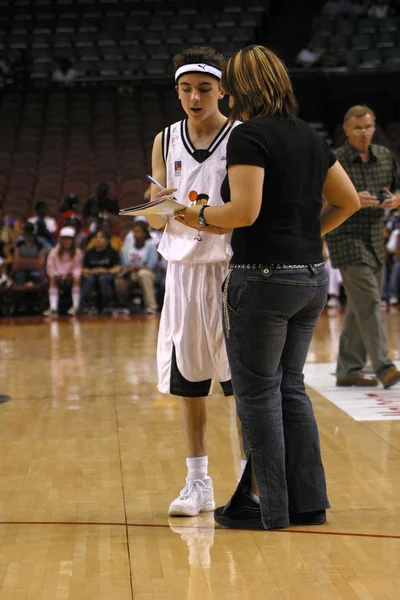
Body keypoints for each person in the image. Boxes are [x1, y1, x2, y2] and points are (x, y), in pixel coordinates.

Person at [177, 44, 361, 530]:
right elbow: (347, 201)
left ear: (238, 90)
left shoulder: (249, 136)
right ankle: (308, 504)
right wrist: (304, 237)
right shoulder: (309, 135)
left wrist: (192, 212)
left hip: (261, 279)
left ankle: (268, 509)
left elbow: (243, 213)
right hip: (311, 278)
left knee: (258, 394)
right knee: (292, 389)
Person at [148, 46, 242, 517]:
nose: (194, 97)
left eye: (204, 88)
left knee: (242, 384)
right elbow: (155, 220)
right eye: (185, 89)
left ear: (222, 90)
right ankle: (197, 481)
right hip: (183, 272)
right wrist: (157, 202)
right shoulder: (165, 139)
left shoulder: (241, 137)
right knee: (189, 384)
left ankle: (251, 479)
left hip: (230, 269)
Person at [325, 105, 400, 389]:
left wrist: (395, 200)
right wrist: (351, 198)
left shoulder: (384, 156)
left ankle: (348, 368)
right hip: (345, 237)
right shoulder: (335, 161)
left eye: (368, 127)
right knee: (369, 300)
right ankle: (384, 365)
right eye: (357, 128)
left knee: (359, 307)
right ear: (346, 130)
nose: (364, 133)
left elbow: (398, 188)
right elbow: (319, 199)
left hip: (375, 238)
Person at [117, 220, 158, 314]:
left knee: (143, 274)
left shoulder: (150, 246)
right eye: (134, 231)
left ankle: (152, 306)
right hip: (130, 273)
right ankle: (124, 306)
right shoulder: (127, 247)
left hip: (148, 273)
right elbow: (124, 264)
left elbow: (151, 265)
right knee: (119, 279)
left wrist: (136, 268)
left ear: (144, 233)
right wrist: (127, 270)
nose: (136, 234)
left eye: (138, 231)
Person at [79, 229, 121, 314]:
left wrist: (105, 271)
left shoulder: (112, 252)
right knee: (89, 279)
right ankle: (84, 306)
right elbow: (83, 269)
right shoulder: (89, 252)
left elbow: (117, 268)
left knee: (103, 279)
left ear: (107, 241)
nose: (98, 239)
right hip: (92, 275)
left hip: (107, 275)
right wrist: (92, 271)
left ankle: (108, 306)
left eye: (101, 237)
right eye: (96, 237)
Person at [44, 226, 83, 316]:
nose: (66, 242)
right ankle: (53, 308)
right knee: (52, 279)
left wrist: (72, 275)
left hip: (70, 277)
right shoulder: (54, 252)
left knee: (76, 279)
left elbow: (77, 268)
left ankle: (75, 306)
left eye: (69, 239)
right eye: (64, 239)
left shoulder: (77, 253)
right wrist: (55, 274)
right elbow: (50, 267)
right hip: (58, 277)